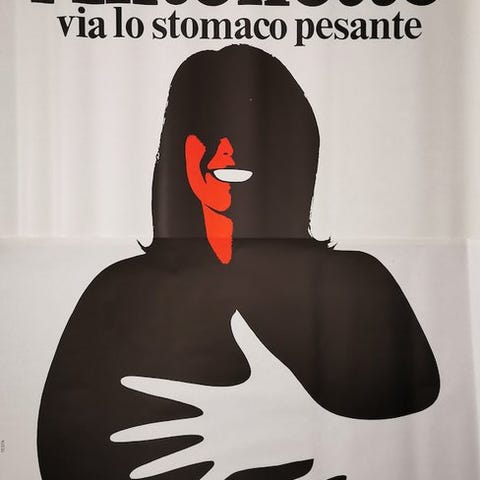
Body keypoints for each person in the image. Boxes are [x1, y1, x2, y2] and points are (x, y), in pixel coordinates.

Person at [37, 45, 439, 480]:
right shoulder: (119, 292)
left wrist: (322, 433)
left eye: (251, 128)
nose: (225, 152)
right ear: (177, 148)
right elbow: (64, 455)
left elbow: (439, 433)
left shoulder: (357, 284)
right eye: (205, 128)